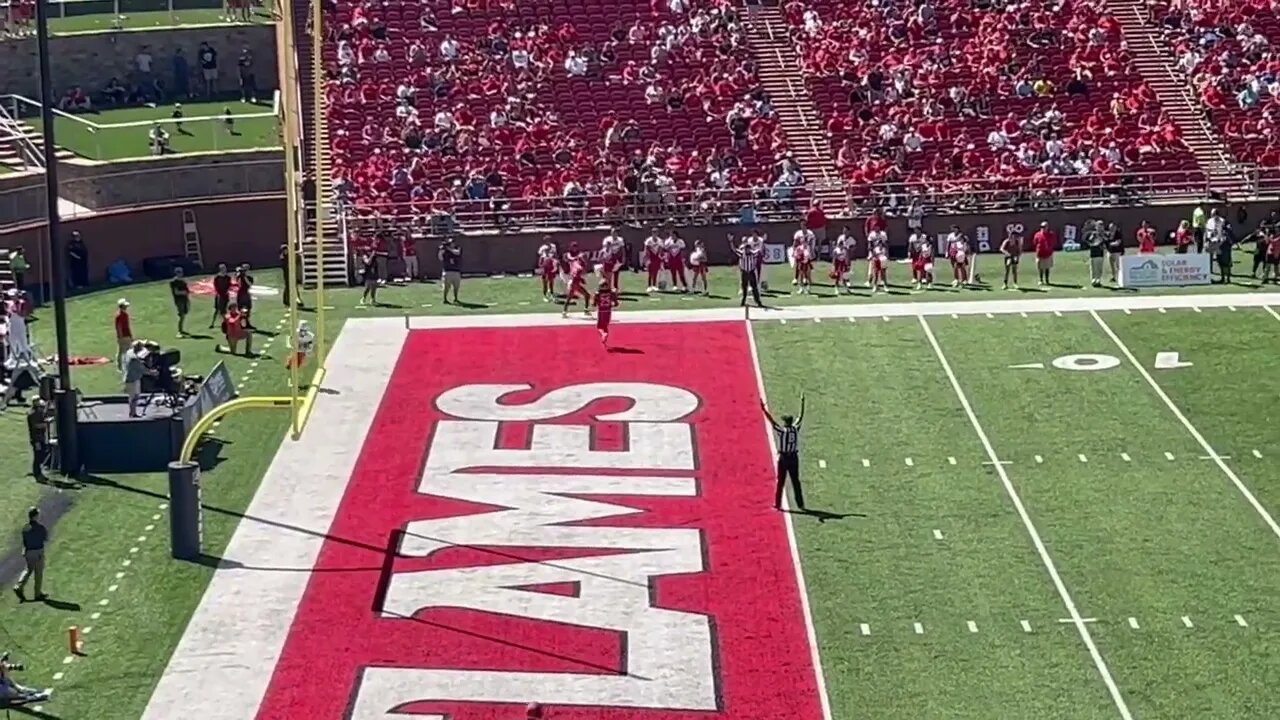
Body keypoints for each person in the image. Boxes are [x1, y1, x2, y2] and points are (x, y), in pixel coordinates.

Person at [761, 393, 805, 511]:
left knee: (780, 481)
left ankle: (777, 504)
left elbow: (772, 421)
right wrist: (802, 403)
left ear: (786, 422)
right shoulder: (795, 429)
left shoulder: (782, 431)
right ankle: (800, 503)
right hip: (794, 458)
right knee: (796, 481)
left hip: (784, 458)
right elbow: (800, 417)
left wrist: (764, 410)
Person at [12, 507, 47, 601]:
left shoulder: (25, 528)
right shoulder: (40, 528)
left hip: (28, 551)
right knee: (38, 573)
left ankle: (19, 585)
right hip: (38, 551)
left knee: (28, 569)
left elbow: (25, 540)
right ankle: (37, 594)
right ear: (35, 516)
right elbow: (44, 538)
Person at [122, 339, 155, 418]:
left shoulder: (129, 352)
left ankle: (133, 412)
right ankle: (132, 413)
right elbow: (143, 370)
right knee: (134, 397)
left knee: (134, 396)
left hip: (133, 377)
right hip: (132, 380)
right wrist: (153, 373)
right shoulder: (134, 359)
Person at [731, 234, 763, 308]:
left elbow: (759, 249)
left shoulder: (753, 253)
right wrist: (731, 241)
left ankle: (758, 301)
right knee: (744, 287)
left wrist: (763, 241)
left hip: (751, 272)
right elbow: (734, 249)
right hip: (744, 272)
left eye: (748, 249)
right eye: (745, 249)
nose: (746, 250)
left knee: (754, 288)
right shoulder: (742, 254)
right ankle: (743, 301)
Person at [1032, 221, 1057, 286]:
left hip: (1048, 254)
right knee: (1040, 267)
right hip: (1040, 253)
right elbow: (1035, 243)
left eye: (1044, 227)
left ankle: (1047, 280)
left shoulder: (1051, 234)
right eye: (1042, 227)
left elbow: (1054, 242)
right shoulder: (1037, 234)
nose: (1043, 228)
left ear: (1047, 227)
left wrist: (1050, 248)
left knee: (1047, 267)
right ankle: (1041, 280)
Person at [439, 236, 462, 304]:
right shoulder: (445, 251)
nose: (452, 244)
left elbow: (457, 253)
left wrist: (448, 248)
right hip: (447, 270)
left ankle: (456, 298)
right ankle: (445, 299)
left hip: (456, 270)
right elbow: (440, 257)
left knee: (456, 286)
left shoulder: (457, 248)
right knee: (446, 286)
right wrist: (442, 250)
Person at [593, 279, 616, 345]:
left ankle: (603, 334)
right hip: (608, 310)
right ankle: (605, 335)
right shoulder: (611, 292)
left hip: (601, 310)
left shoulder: (598, 293)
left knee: (599, 326)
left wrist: (594, 304)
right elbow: (616, 303)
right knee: (605, 325)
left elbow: (594, 303)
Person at [209, 262, 232, 328]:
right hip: (219, 295)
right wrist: (220, 293)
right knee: (217, 309)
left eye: (225, 268)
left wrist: (225, 292)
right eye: (223, 268)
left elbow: (229, 285)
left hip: (225, 295)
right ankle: (212, 323)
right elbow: (216, 286)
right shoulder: (217, 277)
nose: (225, 269)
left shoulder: (228, 277)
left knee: (225, 309)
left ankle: (226, 322)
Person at [170, 266, 190, 336]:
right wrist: (183, 292)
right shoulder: (174, 282)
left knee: (184, 315)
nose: (181, 274)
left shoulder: (183, 281)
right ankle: (180, 330)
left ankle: (181, 329)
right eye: (179, 272)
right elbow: (176, 292)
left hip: (185, 299)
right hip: (179, 300)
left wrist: (187, 298)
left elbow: (187, 291)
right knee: (181, 315)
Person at [114, 298, 133, 370]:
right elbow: (118, 327)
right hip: (123, 336)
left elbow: (127, 326)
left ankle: (123, 365)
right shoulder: (119, 316)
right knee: (123, 351)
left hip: (126, 335)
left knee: (124, 350)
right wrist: (121, 336)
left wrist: (130, 335)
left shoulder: (125, 314)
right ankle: (121, 365)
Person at [234, 264, 255, 329]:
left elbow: (249, 284)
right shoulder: (239, 276)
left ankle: (247, 324)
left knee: (248, 310)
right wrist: (239, 274)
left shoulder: (249, 277)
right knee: (242, 311)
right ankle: (241, 324)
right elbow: (238, 283)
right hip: (241, 295)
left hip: (246, 294)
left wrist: (244, 276)